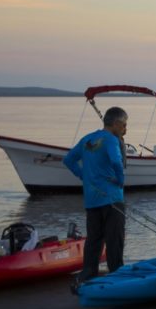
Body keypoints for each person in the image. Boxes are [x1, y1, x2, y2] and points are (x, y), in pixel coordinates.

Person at [64, 106, 128, 283]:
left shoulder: (87, 139)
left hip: (92, 200)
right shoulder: (111, 140)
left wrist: (82, 175)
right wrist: (121, 180)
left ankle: (88, 273)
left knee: (94, 240)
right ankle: (116, 275)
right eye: (124, 125)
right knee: (114, 240)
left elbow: (68, 159)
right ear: (115, 123)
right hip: (112, 199)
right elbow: (116, 161)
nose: (125, 130)